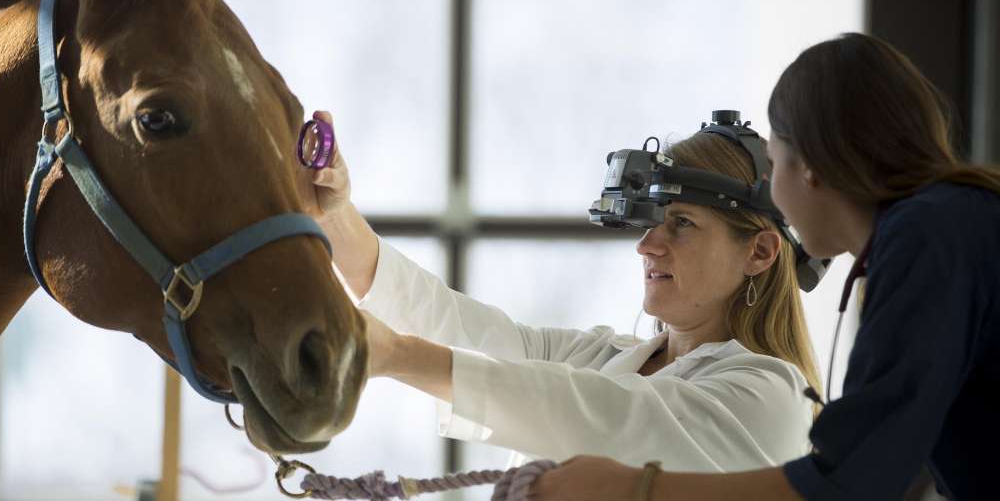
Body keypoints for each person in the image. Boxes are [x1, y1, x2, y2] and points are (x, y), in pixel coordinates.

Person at [529, 32, 1000, 500]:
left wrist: (635, 487)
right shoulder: (955, 223)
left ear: (811, 164)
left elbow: (852, 481)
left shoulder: (925, 239)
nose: (774, 195)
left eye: (774, 164)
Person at [305, 109, 822, 472]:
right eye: (651, 223)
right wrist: (332, 215)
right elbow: (452, 324)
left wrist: (400, 356)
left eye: (682, 223)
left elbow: (607, 418)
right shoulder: (601, 356)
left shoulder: (771, 393)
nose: (647, 247)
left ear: (759, 253)